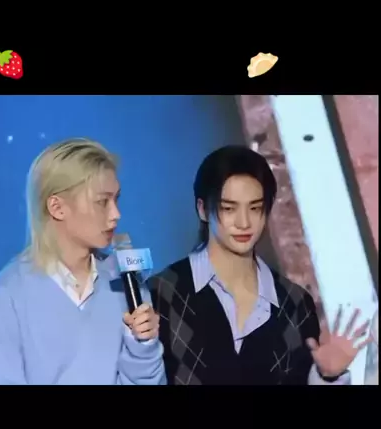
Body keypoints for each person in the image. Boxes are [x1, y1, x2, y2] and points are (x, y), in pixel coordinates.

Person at [149, 145, 372, 385]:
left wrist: (327, 376)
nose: (244, 222)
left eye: (255, 208)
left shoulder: (295, 303)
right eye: (229, 208)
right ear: (203, 209)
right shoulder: (161, 293)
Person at [0, 138, 166, 385]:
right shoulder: (0, 304)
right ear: (57, 207)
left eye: (117, 200)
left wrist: (143, 347)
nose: (116, 214)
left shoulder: (128, 285)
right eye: (102, 202)